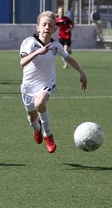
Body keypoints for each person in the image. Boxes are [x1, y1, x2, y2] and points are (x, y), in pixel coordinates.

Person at [20, 11, 87, 153]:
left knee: (40, 103)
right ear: (37, 27)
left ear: (54, 29)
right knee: (32, 117)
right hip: (28, 87)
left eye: (50, 25)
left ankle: (48, 135)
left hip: (46, 83)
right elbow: (23, 62)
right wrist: (37, 52)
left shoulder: (56, 46)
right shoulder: (29, 43)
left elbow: (68, 58)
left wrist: (81, 71)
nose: (46, 27)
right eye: (43, 25)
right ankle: (37, 127)